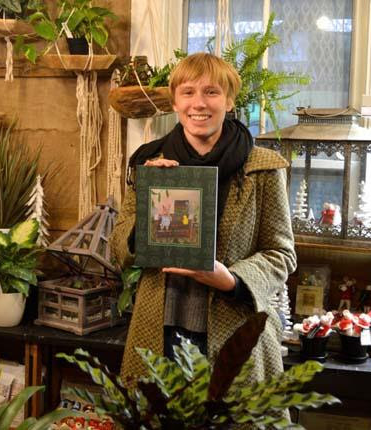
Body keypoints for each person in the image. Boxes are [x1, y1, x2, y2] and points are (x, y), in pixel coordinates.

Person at [109, 53, 296, 391]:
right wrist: (151, 202)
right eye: (188, 92)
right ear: (175, 102)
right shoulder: (150, 164)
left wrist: (232, 280)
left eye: (211, 92)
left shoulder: (261, 168)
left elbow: (281, 254)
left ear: (229, 101)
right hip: (158, 333)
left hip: (235, 335)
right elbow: (119, 248)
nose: (199, 103)